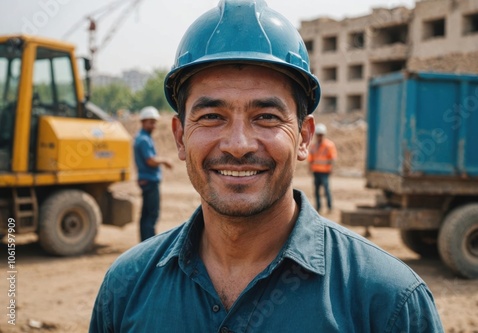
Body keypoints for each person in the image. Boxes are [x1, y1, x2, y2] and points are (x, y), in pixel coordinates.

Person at [90, 1, 444, 332]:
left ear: (304, 137)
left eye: (267, 117)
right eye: (212, 116)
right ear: (180, 137)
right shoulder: (126, 288)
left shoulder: (387, 303)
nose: (239, 145)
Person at [133, 106, 173, 241]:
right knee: (151, 215)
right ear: (143, 122)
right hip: (149, 180)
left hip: (146, 180)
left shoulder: (142, 138)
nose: (154, 125)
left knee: (146, 215)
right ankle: (149, 246)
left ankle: (144, 244)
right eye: (151, 122)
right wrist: (165, 161)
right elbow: (150, 160)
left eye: (154, 122)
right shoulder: (143, 139)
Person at [308, 123, 337, 213]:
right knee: (316, 191)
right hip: (316, 171)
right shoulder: (314, 146)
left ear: (323, 135)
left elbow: (332, 158)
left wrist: (331, 168)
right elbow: (310, 159)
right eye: (318, 135)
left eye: (321, 135)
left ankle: (329, 207)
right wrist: (310, 168)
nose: (319, 137)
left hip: (325, 171)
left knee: (326, 190)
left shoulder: (329, 145)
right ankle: (318, 207)